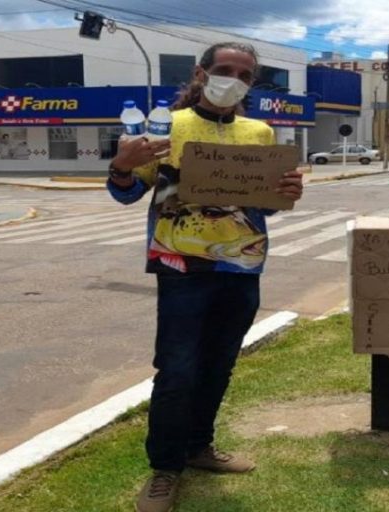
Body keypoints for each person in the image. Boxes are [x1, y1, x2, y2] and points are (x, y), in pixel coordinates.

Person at [106, 42, 304, 512]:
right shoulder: (166, 126)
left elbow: (261, 206)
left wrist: (287, 192)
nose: (232, 78)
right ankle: (165, 470)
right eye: (223, 69)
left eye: (244, 74)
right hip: (181, 267)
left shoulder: (260, 132)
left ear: (252, 83)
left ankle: (198, 447)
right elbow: (128, 193)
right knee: (177, 371)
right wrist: (120, 167)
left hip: (242, 266)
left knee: (218, 365)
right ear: (200, 73)